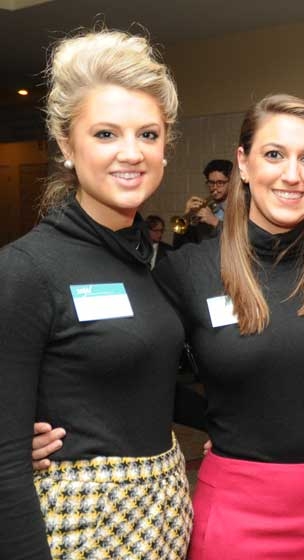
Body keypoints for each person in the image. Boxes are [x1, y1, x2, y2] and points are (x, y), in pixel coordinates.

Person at [154, 94, 304, 558]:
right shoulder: (190, 270)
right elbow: (132, 370)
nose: (292, 174)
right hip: (241, 513)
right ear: (243, 163)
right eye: (274, 154)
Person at [0, 29, 197, 559]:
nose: (131, 154)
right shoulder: (26, 269)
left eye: (148, 135)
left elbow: (144, 383)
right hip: (77, 529)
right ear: (67, 145)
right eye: (106, 134)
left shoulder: (151, 262)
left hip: (163, 519)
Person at [172, 159, 232, 247]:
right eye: (211, 183)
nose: (214, 188)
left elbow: (244, 241)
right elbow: (180, 247)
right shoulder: (204, 210)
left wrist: (215, 222)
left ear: (231, 183)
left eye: (220, 182)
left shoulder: (244, 208)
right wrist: (187, 217)